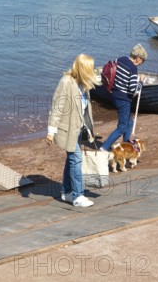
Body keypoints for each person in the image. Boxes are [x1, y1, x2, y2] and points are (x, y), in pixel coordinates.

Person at [46, 54, 97, 208]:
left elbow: (84, 109)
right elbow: (57, 107)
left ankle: (67, 192)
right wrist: (51, 131)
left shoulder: (84, 83)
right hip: (67, 130)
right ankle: (78, 195)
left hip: (78, 128)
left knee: (71, 159)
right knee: (76, 159)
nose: (93, 71)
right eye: (90, 68)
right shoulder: (66, 82)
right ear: (83, 69)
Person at [100, 44, 148, 152]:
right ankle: (103, 148)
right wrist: (140, 82)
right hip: (123, 100)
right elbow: (132, 89)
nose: (141, 63)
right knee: (122, 127)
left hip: (114, 94)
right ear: (138, 58)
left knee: (129, 123)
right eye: (142, 61)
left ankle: (127, 147)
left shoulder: (120, 59)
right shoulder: (133, 68)